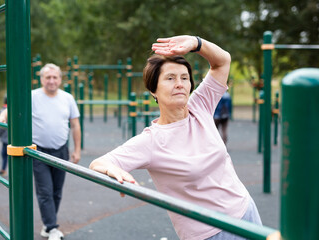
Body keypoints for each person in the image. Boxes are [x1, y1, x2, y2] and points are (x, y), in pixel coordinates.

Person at [89, 35, 262, 240]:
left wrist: (196, 43)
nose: (179, 84)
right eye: (170, 78)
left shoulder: (200, 106)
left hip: (246, 212)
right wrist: (114, 170)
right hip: (210, 233)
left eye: (184, 78)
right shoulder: (151, 141)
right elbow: (99, 163)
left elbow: (222, 61)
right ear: (153, 90)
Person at [0, 63, 81, 240]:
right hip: (38, 151)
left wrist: (77, 150)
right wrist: (2, 117)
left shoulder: (67, 98)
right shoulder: (32, 96)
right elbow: (11, 109)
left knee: (57, 191)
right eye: (47, 77)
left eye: (54, 77)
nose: (51, 81)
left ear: (60, 79)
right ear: (41, 79)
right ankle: (52, 227)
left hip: (61, 150)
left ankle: (48, 225)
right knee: (45, 191)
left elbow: (75, 124)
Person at [0, 94, 8, 176]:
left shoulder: (3, 110)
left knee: (4, 153)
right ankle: (3, 169)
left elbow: (1, 127)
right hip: (8, 137)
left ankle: (3, 169)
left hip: (5, 137)